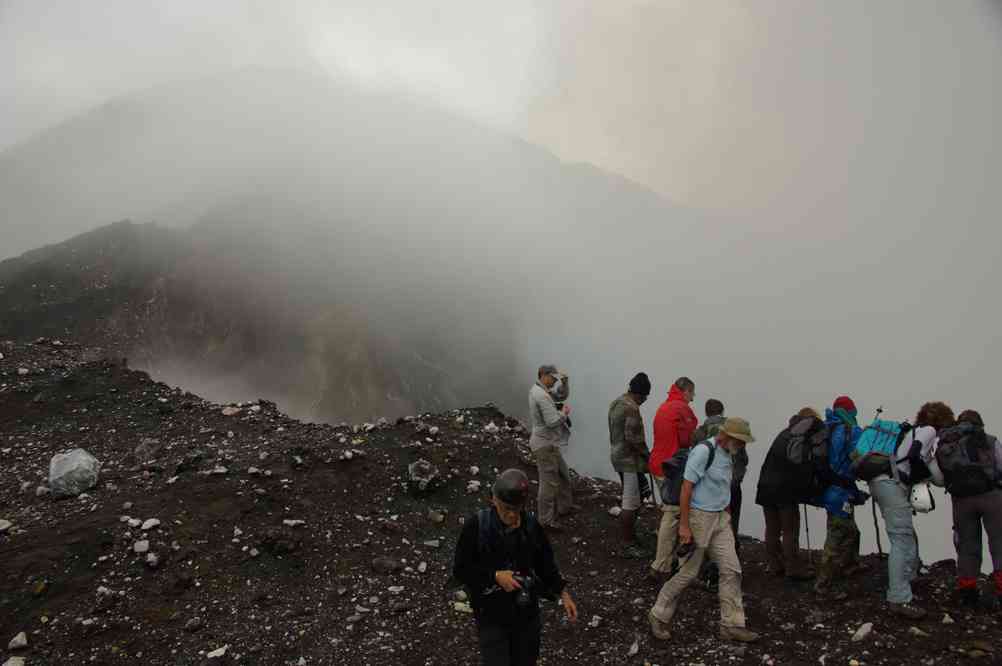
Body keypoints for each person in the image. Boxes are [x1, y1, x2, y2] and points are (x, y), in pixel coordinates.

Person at [647, 417, 759, 643]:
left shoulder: (729, 453)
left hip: (719, 518)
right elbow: (686, 489)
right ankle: (658, 614)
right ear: (727, 436)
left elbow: (722, 486)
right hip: (699, 518)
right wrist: (685, 526)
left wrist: (725, 513)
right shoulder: (703, 452)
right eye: (740, 440)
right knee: (688, 572)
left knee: (731, 569)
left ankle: (732, 624)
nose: (743, 445)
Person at [453, 469, 579, 665]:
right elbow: (461, 570)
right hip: (491, 613)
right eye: (505, 508)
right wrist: (495, 576)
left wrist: (563, 592)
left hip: (526, 611)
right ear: (493, 499)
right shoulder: (477, 526)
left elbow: (545, 562)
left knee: (526, 659)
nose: (511, 515)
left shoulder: (530, 526)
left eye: (516, 509)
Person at [869, 401, 954, 619]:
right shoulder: (929, 430)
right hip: (892, 484)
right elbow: (915, 455)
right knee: (901, 539)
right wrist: (919, 473)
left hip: (883, 483)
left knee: (906, 535)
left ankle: (909, 576)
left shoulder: (914, 431)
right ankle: (899, 598)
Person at [935, 409, 1002, 609]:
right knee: (999, 544)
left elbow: (940, 475)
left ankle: (967, 591)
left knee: (967, 546)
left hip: (962, 501)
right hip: (992, 496)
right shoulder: (989, 440)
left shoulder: (947, 443)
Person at [754, 408, 822, 582]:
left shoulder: (785, 433)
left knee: (772, 529)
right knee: (790, 529)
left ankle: (775, 565)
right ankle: (793, 568)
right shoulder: (803, 436)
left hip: (765, 485)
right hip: (784, 489)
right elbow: (802, 464)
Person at [815, 396, 869, 599]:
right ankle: (824, 586)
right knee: (838, 535)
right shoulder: (851, 431)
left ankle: (850, 564)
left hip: (830, 490)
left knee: (848, 530)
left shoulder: (827, 429)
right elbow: (859, 458)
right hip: (840, 492)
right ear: (850, 412)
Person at [646, 382, 699, 578]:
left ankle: (665, 562)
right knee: (674, 513)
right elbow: (687, 439)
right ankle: (665, 565)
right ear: (685, 391)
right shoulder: (681, 408)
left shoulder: (664, 407)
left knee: (671, 512)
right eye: (692, 393)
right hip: (672, 467)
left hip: (658, 462)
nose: (693, 397)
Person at [608, 372, 653, 558]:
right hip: (629, 461)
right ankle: (627, 543)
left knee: (632, 498)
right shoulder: (632, 408)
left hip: (617, 455)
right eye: (644, 397)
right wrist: (648, 455)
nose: (644, 401)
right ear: (640, 394)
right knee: (631, 502)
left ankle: (631, 537)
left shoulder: (617, 402)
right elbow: (633, 438)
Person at [528, 365, 575, 530]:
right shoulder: (540, 395)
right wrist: (564, 413)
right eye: (553, 378)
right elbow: (552, 421)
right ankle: (546, 520)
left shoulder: (542, 391)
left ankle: (564, 507)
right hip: (544, 444)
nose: (555, 382)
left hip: (549, 442)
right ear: (543, 375)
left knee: (563, 475)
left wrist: (565, 383)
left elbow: (561, 395)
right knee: (548, 483)